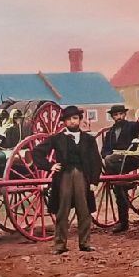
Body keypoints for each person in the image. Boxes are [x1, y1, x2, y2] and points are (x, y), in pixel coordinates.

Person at [32, 105, 102, 254]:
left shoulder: (89, 139)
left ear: (80, 120)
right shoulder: (57, 139)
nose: (72, 121)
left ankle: (85, 243)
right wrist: (50, 166)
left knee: (84, 211)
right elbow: (37, 152)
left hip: (83, 177)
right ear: (64, 122)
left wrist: (94, 181)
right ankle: (60, 245)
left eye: (75, 118)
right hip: (64, 177)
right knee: (62, 211)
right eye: (68, 119)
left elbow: (96, 161)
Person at [100, 104, 139, 233]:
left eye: (120, 114)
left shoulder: (131, 127)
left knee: (109, 161)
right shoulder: (110, 133)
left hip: (131, 159)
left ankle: (118, 181)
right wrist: (107, 155)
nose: (118, 117)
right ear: (112, 117)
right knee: (119, 192)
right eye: (116, 115)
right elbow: (104, 150)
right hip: (117, 164)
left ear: (124, 115)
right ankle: (123, 223)